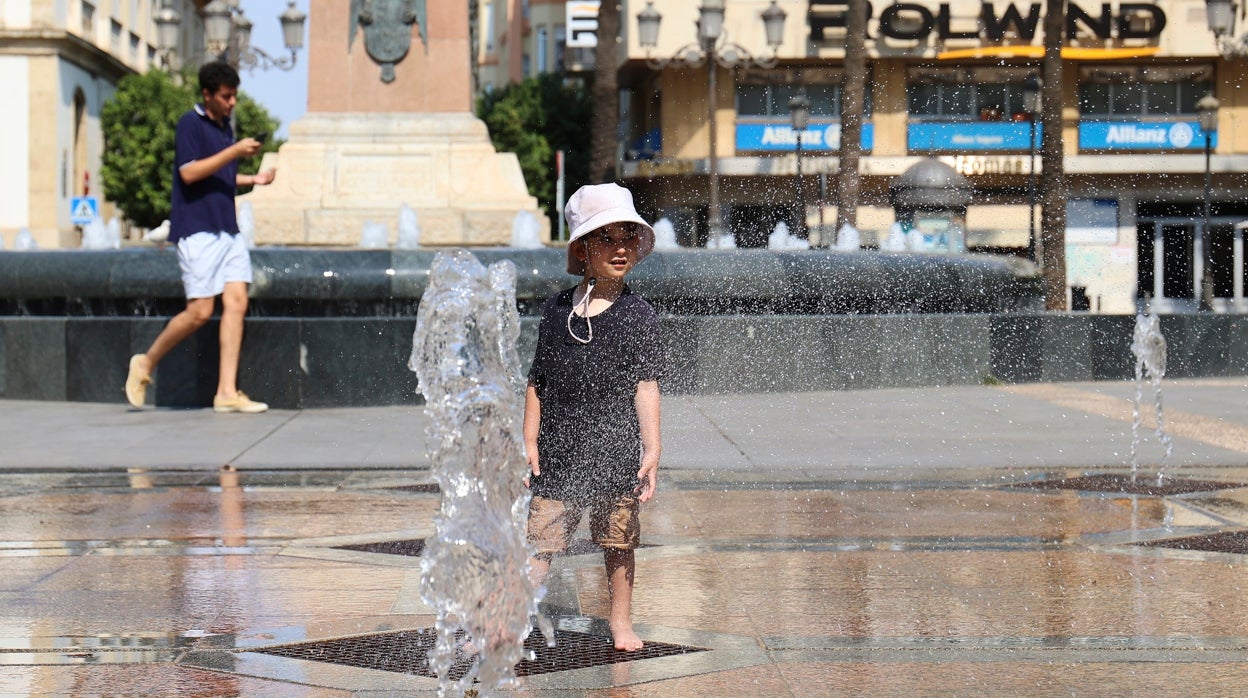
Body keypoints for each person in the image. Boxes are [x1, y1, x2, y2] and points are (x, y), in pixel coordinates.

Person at [524, 182, 663, 652]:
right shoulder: (557, 311)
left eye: (628, 236)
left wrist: (652, 448)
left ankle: (620, 621)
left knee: (619, 541)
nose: (620, 247)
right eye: (606, 237)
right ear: (582, 248)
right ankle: (507, 620)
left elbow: (646, 385)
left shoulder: (637, 314)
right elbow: (537, 381)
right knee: (541, 541)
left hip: (616, 449)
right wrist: (529, 440)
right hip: (559, 453)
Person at [125, 62, 275, 413]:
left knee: (237, 302)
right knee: (200, 311)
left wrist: (252, 180)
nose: (233, 102)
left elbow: (219, 175)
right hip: (197, 230)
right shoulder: (190, 124)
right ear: (207, 94)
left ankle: (226, 392)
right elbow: (190, 172)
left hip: (227, 229)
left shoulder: (224, 127)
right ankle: (145, 363)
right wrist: (234, 151)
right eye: (226, 96)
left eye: (235, 94)